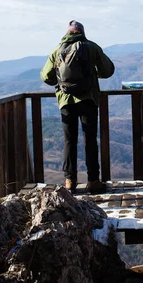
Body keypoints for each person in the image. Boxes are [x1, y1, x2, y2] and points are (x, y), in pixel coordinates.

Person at [40, 20, 115, 194]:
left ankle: (69, 181)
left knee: (69, 141)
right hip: (88, 99)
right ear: (82, 32)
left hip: (66, 102)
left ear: (67, 33)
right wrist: (91, 73)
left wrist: (60, 80)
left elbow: (45, 76)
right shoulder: (91, 47)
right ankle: (93, 181)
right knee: (90, 140)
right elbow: (108, 70)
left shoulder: (57, 50)